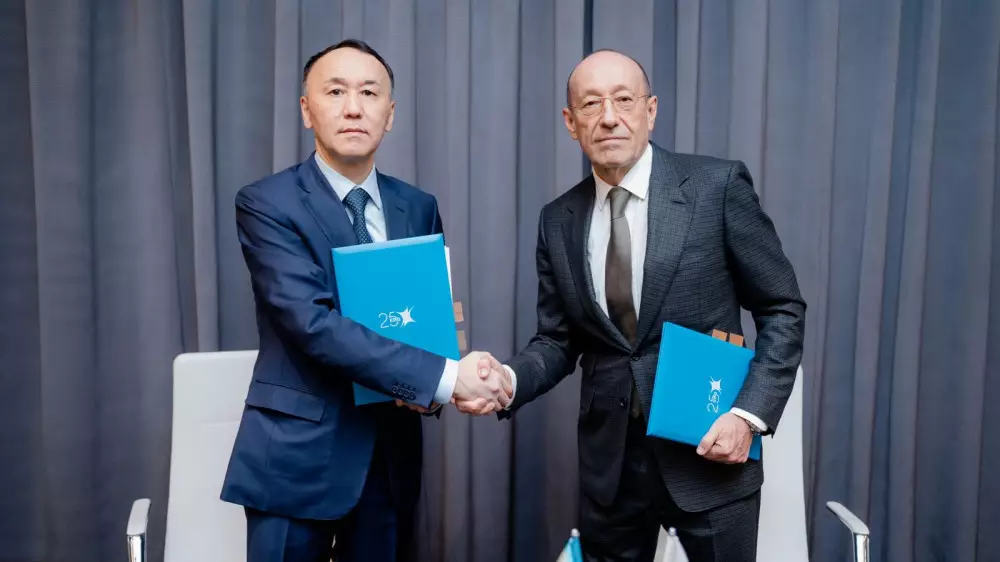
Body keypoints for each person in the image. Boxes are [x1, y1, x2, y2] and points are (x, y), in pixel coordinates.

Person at [469, 49, 806, 561]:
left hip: (711, 450)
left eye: (623, 100)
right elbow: (557, 341)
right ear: (571, 122)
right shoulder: (557, 219)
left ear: (650, 111)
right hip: (612, 470)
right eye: (591, 104)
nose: (608, 117)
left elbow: (782, 307)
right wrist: (509, 380)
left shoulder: (716, 187)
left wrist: (748, 415)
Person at [219, 39, 512, 562]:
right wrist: (447, 378)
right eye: (335, 92)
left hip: (389, 460)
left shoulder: (417, 206)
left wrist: (444, 372)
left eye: (369, 93)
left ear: (390, 114)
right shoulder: (267, 203)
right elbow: (312, 324)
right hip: (295, 458)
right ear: (306, 109)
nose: (353, 107)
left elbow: (430, 315)